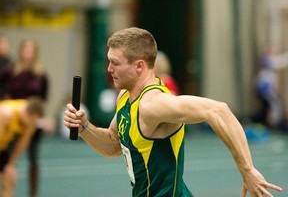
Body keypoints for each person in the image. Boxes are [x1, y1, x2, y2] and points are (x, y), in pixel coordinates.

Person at [64, 27, 282, 196]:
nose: (109, 69)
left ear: (139, 66)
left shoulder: (153, 104)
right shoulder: (125, 97)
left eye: (114, 63)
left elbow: (218, 110)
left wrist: (247, 169)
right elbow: (113, 144)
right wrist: (84, 127)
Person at [0, 39, 49, 197]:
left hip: (29, 115)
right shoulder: (11, 70)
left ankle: (33, 193)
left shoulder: (41, 74)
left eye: (31, 50)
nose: (28, 53)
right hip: (8, 121)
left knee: (12, 173)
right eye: (25, 49)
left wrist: (10, 164)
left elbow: (43, 98)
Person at [0, 97, 44, 197]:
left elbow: (22, 143)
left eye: (34, 123)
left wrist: (10, 164)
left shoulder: (31, 121)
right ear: (26, 113)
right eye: (31, 122)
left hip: (2, 146)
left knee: (10, 177)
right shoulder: (6, 114)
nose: (31, 125)